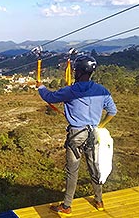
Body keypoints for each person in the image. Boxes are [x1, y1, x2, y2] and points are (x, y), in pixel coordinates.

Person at [36, 54, 117, 216]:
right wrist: (100, 126)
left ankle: (67, 206)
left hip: (76, 135)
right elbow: (112, 111)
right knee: (95, 168)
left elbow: (49, 97)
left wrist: (41, 87)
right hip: (93, 134)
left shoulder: (70, 91)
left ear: (77, 71)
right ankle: (99, 201)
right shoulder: (101, 90)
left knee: (72, 171)